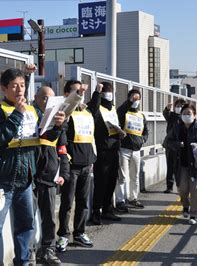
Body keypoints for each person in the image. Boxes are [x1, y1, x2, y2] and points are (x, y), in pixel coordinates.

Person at [0, 68, 64, 266]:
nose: (19, 90)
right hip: (2, 179)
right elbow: (0, 136)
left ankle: (24, 262)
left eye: (22, 85)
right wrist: (17, 114)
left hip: (26, 178)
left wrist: (58, 126)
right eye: (14, 86)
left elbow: (44, 136)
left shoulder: (33, 110)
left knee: (26, 224)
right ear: (4, 88)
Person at [33, 86, 70, 264]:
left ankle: (48, 250)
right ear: (36, 98)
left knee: (49, 217)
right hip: (30, 174)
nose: (47, 102)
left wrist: (63, 172)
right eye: (44, 98)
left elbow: (62, 149)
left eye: (51, 99)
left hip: (49, 175)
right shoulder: (29, 115)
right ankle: (30, 252)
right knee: (28, 218)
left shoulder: (58, 121)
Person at [56, 80, 95, 252]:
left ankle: (79, 233)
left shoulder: (87, 113)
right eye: (76, 92)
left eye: (82, 92)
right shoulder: (65, 112)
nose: (80, 95)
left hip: (87, 164)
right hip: (71, 165)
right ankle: (63, 235)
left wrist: (92, 160)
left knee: (83, 202)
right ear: (67, 95)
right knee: (67, 202)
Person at [165, 104, 197, 225]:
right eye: (184, 113)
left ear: (194, 115)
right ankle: (185, 206)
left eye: (189, 113)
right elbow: (167, 142)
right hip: (181, 164)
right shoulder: (177, 128)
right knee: (182, 189)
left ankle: (194, 214)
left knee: (195, 190)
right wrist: (178, 144)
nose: (186, 116)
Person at [89, 82, 124, 225]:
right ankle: (96, 211)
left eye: (110, 91)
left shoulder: (113, 108)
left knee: (111, 181)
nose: (108, 94)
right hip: (102, 150)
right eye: (106, 91)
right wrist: (97, 92)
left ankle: (108, 209)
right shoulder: (97, 107)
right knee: (101, 182)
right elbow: (93, 109)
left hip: (114, 149)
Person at [114, 89, 149, 212]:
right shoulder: (124, 112)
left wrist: (143, 140)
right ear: (129, 98)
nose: (136, 101)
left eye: (138, 99)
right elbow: (120, 111)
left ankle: (133, 198)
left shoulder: (141, 115)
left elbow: (146, 131)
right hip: (124, 148)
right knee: (122, 176)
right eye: (134, 98)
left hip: (136, 150)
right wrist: (129, 102)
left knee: (135, 176)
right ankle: (120, 201)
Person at [162, 99, 186, 193]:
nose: (178, 108)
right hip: (169, 145)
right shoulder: (172, 116)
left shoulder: (185, 117)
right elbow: (166, 114)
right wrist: (167, 109)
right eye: (177, 106)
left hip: (180, 145)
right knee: (170, 166)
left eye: (181, 106)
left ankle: (179, 186)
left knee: (179, 167)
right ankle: (169, 186)